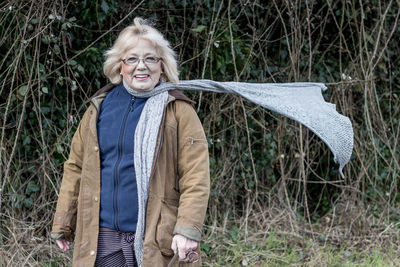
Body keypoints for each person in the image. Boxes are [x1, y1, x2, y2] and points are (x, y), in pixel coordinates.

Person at [51, 17, 210, 267]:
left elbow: (195, 176)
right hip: (102, 239)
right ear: (119, 65)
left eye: (150, 58)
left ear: (163, 65)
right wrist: (64, 220)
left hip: (157, 240)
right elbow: (76, 167)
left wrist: (187, 228)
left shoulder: (178, 111)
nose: (141, 66)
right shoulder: (99, 108)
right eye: (132, 59)